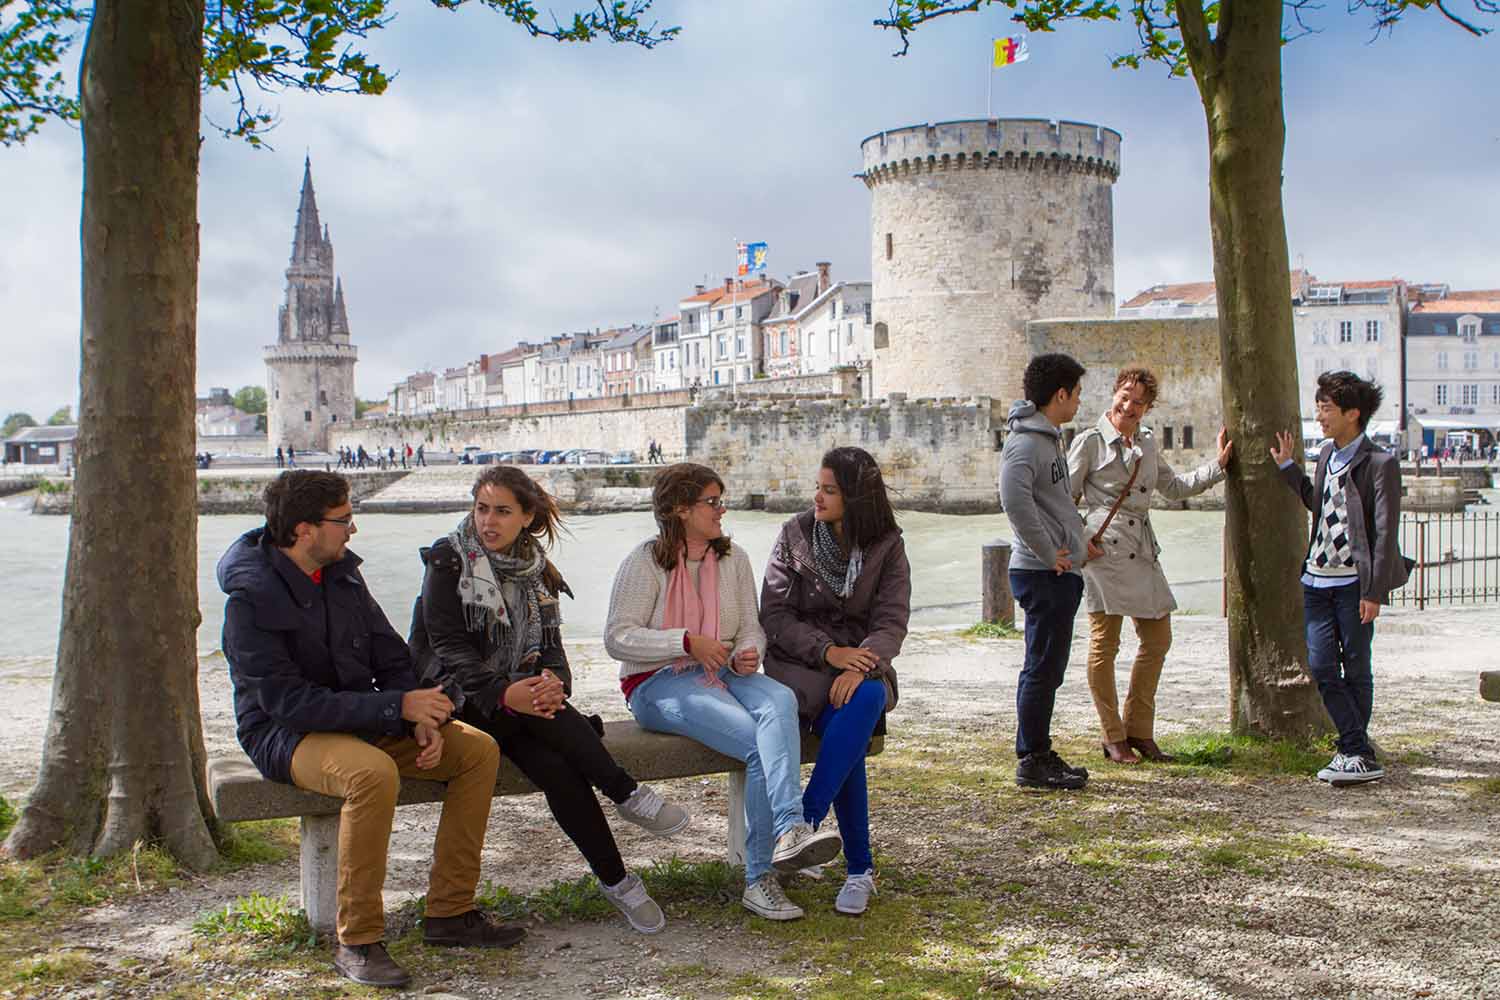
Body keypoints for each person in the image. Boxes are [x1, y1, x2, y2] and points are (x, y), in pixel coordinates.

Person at [217, 471, 522, 990]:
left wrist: (418, 715)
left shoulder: (343, 574)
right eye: (343, 519)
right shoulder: (251, 599)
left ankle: (450, 912)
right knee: (372, 774)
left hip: (366, 715)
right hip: (285, 734)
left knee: (476, 751)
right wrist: (392, 709)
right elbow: (288, 703)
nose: (353, 529)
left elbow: (391, 653)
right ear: (303, 530)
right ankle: (357, 939)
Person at [409, 466, 691, 935]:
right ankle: (625, 793)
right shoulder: (449, 560)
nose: (488, 522)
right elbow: (445, 647)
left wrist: (554, 682)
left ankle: (617, 881)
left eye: (502, 511)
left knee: (558, 763)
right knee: (547, 715)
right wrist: (505, 691)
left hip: (522, 707)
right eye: (481, 509)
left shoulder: (536, 570)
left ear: (526, 516)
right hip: (457, 695)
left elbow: (554, 650)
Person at [604, 463, 841, 921]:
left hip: (726, 670)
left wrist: (749, 652)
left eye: (720, 500)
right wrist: (685, 641)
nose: (721, 509)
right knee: (755, 741)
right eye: (712, 502)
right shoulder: (643, 562)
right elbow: (617, 637)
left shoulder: (734, 559)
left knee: (781, 701)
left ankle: (790, 830)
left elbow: (751, 628)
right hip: (658, 682)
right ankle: (760, 878)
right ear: (679, 509)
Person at [760, 446, 909, 916]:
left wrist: (857, 661)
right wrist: (829, 652)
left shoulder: (887, 543)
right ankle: (859, 870)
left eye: (829, 490)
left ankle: (804, 822)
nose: (817, 498)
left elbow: (891, 622)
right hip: (800, 668)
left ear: (856, 496)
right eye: (818, 487)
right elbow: (775, 614)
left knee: (863, 700)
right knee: (853, 727)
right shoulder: (796, 534)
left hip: (859, 667)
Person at [1066, 367, 1232, 765]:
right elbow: (1063, 500)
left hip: (1141, 550)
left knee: (1157, 640)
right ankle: (1113, 736)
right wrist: (1080, 542)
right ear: (1114, 395)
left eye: (1138, 401)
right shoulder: (1089, 443)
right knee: (1105, 644)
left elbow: (1173, 488)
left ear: (1148, 408)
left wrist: (1219, 465)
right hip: (1103, 550)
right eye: (1124, 396)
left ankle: (1139, 729)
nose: (1128, 406)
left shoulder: (1147, 443)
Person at [1271, 371, 1411, 787]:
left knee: (1357, 667)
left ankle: (1353, 752)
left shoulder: (1380, 464)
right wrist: (1289, 469)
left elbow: (1385, 532)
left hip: (1354, 585)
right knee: (1321, 666)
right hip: (1316, 580)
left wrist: (1374, 591)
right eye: (1318, 406)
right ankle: (1356, 749)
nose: (1319, 415)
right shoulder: (1326, 455)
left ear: (1354, 413)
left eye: (1326, 407)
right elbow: (1319, 503)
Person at [999, 353, 1094, 791]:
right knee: (1042, 667)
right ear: (1060, 394)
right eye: (1075, 394)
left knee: (1048, 666)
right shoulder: (1026, 442)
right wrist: (1049, 552)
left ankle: (1037, 750)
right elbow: (1014, 500)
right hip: (1042, 573)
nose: (1078, 402)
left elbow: (1049, 503)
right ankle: (1033, 758)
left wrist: (1076, 544)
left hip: (1056, 569)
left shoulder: (1047, 437)